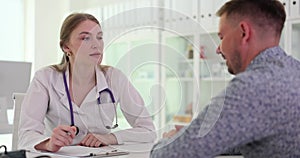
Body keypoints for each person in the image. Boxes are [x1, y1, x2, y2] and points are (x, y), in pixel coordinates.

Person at [150, 0, 300, 157]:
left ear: (244, 33)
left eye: (221, 37)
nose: (218, 49)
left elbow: (172, 155)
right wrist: (194, 136)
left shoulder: (253, 86)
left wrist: (166, 142)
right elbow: (259, 140)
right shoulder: (294, 70)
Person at [18, 13, 156, 152]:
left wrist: (110, 137)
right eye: (85, 38)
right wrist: (49, 143)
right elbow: (26, 135)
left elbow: (148, 130)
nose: (96, 44)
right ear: (66, 46)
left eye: (99, 37)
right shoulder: (45, 78)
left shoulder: (114, 78)